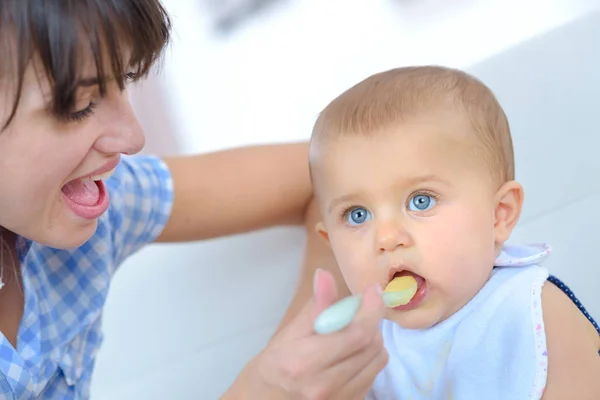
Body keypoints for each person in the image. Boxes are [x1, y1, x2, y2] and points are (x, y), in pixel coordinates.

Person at [0, 1, 385, 399]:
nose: (133, 138)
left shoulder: (97, 200)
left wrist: (305, 356)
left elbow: (337, 173)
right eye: (79, 106)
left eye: (126, 78)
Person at [307, 66, 600, 399]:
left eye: (421, 201)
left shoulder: (532, 312)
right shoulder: (369, 352)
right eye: (357, 215)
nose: (387, 237)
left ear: (498, 215)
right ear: (331, 244)